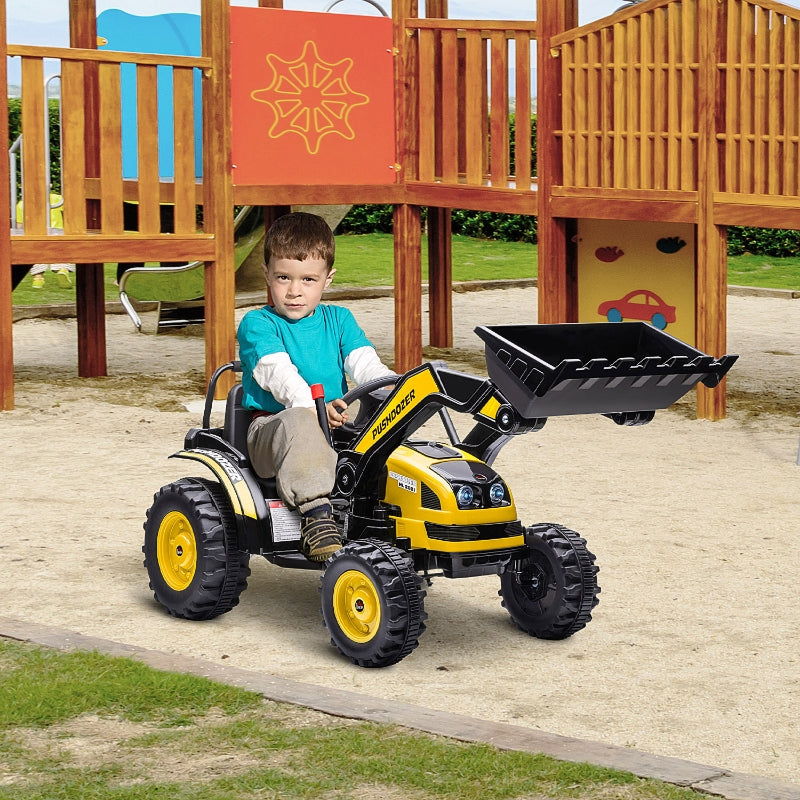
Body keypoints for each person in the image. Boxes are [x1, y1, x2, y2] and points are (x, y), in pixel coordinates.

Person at [237, 212, 393, 562]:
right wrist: (309, 405)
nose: (294, 291)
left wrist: (397, 390)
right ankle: (316, 516)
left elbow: (367, 366)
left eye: (308, 279)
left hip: (333, 425)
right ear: (267, 275)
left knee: (387, 426)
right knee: (299, 419)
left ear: (327, 279)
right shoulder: (257, 324)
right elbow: (277, 372)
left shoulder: (340, 320)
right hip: (273, 432)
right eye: (283, 278)